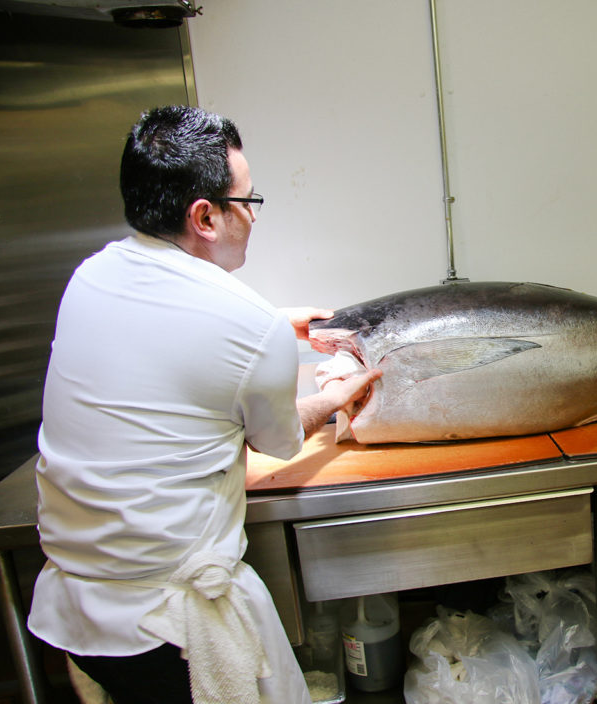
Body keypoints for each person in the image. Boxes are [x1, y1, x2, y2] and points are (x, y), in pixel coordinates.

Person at [27, 106, 381, 704]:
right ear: (205, 216)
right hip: (169, 628)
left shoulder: (90, 276)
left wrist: (273, 325)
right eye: (249, 200)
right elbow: (278, 441)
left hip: (78, 619)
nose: (252, 215)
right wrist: (333, 396)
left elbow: (163, 347)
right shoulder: (244, 325)